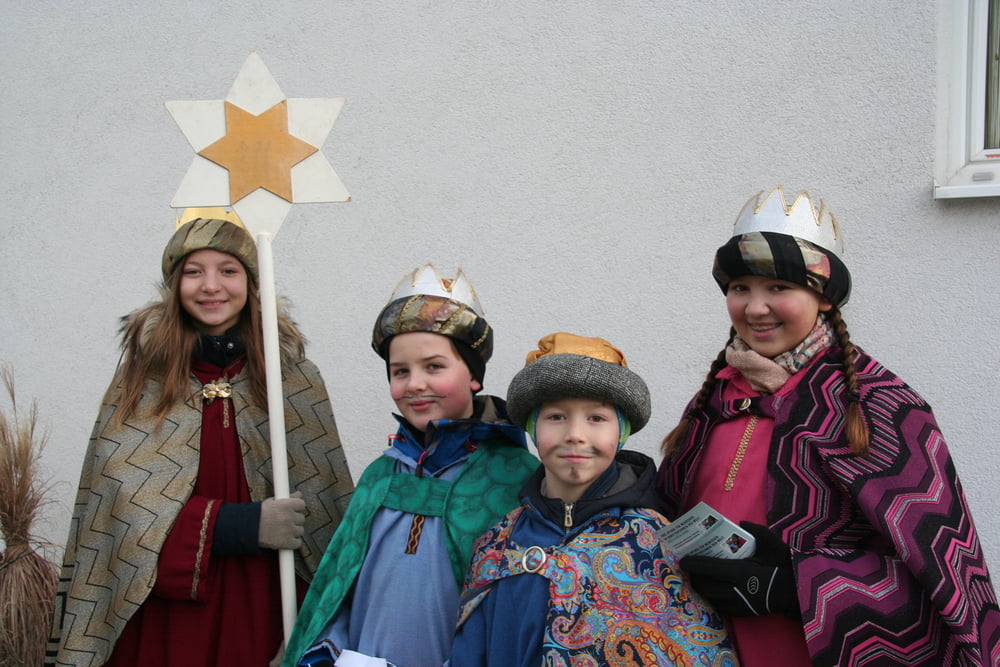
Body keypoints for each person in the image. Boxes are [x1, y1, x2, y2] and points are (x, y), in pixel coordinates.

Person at [657, 186, 1000, 665]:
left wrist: (797, 586)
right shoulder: (713, 399)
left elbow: (942, 577)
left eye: (779, 288)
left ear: (822, 298)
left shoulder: (879, 404)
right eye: (740, 288)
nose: (755, 308)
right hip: (703, 651)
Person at [46, 210, 355, 667]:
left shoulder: (292, 378)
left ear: (252, 283)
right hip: (166, 617)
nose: (211, 286)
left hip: (268, 599)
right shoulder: (142, 379)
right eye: (194, 272)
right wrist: (236, 526)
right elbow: (120, 508)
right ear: (174, 286)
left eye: (228, 271)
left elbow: (327, 500)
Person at [282, 264, 539, 667]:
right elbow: (338, 590)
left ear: (473, 376)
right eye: (400, 371)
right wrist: (327, 652)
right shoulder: (381, 476)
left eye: (434, 367)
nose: (415, 384)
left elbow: (513, 611)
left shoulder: (514, 477)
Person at [450, 332, 738, 666]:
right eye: (556, 417)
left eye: (597, 419)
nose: (575, 434)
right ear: (532, 428)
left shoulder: (656, 544)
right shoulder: (498, 544)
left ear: (621, 432)